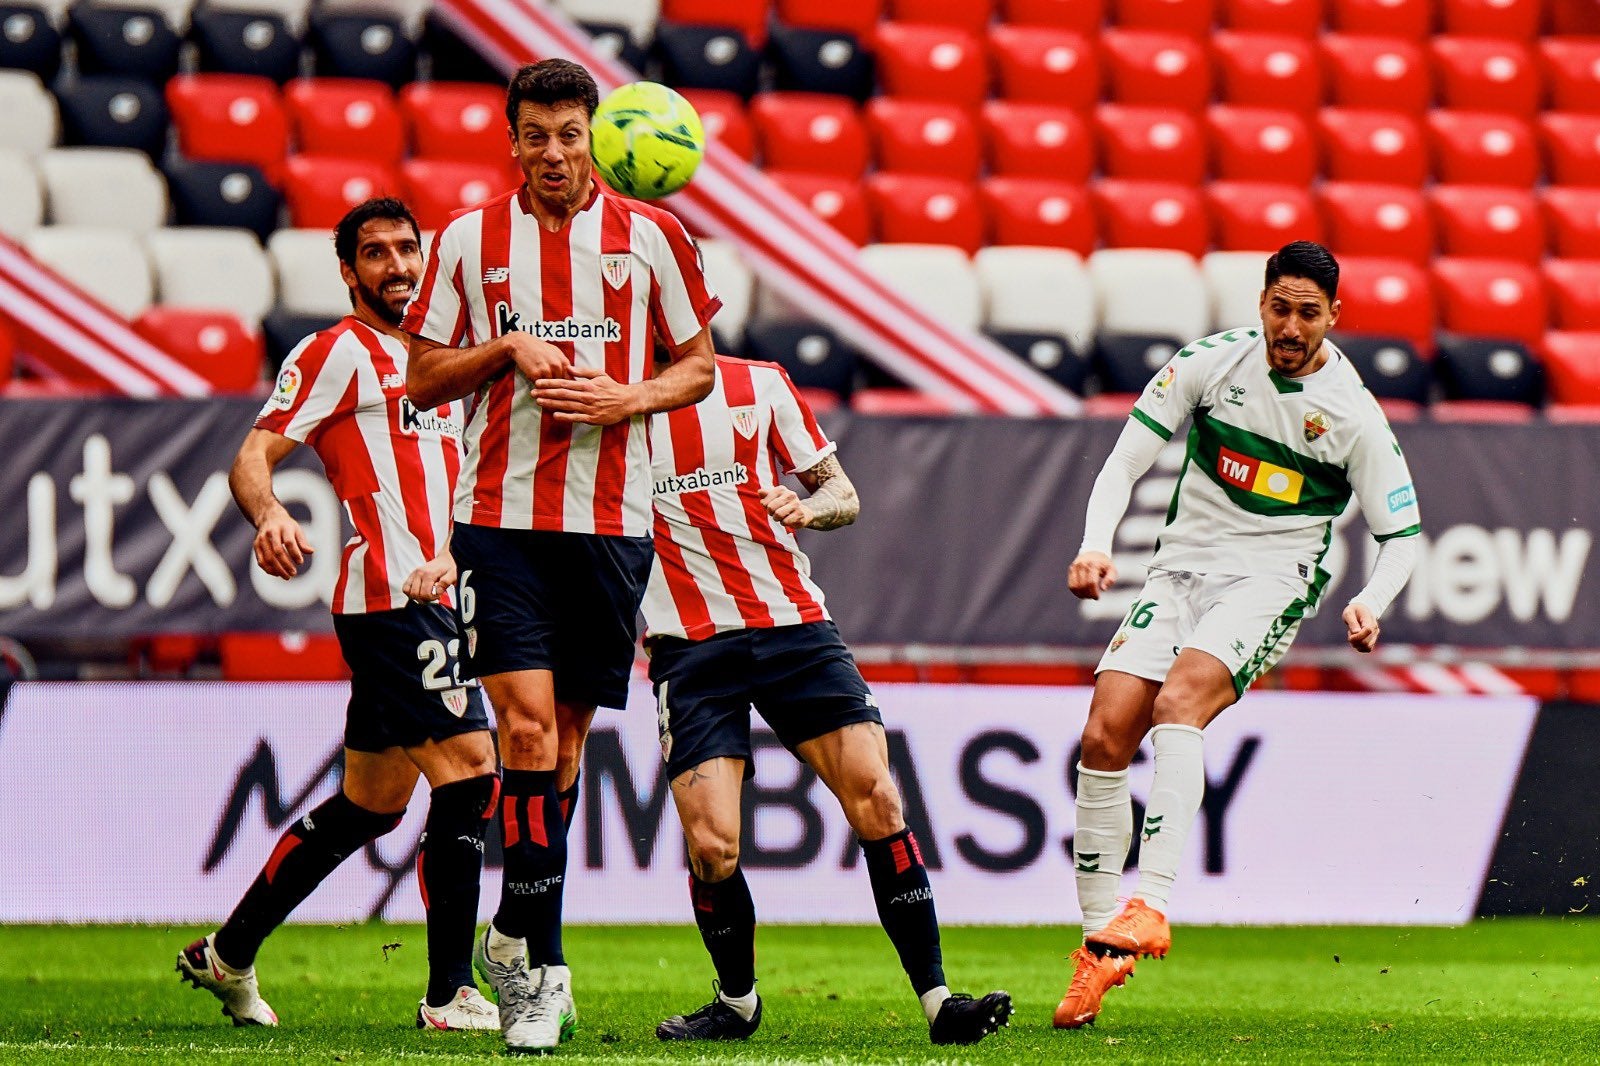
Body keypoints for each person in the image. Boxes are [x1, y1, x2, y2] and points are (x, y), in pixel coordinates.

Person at [402, 58, 719, 1054]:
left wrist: (626, 398)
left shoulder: (656, 238)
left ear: (594, 136)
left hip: (614, 522)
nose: (551, 154)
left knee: (568, 745)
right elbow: (420, 382)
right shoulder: (467, 241)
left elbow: (697, 368)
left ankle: (515, 935)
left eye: (568, 135)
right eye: (533, 136)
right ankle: (534, 978)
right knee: (528, 735)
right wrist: (507, 350)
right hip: (498, 520)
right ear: (512, 139)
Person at [1055, 241, 1422, 1029]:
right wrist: (1096, 543)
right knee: (1102, 736)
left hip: (1270, 579)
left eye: (1309, 313)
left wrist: (1372, 598)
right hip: (1178, 571)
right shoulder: (1211, 363)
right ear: (1262, 302)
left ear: (1334, 316)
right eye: (1280, 307)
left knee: (1177, 703)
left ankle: (1150, 902)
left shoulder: (1352, 413)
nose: (1291, 326)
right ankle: (1096, 950)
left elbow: (1405, 535)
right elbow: (1123, 462)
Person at [176, 198, 501, 1032]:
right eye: (376, 254)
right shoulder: (335, 353)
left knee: (373, 802)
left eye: (406, 249)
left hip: (445, 601)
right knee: (469, 772)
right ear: (350, 272)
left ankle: (229, 954)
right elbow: (253, 455)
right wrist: (273, 515)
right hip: (391, 601)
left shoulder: (444, 359)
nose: (397, 266)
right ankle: (449, 993)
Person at [643, 352, 1013, 1046]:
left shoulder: (760, 382)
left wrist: (809, 506)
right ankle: (737, 1003)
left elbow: (842, 492)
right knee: (714, 845)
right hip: (690, 646)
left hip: (794, 628)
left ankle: (939, 1003)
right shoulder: (615, 400)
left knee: (878, 797)